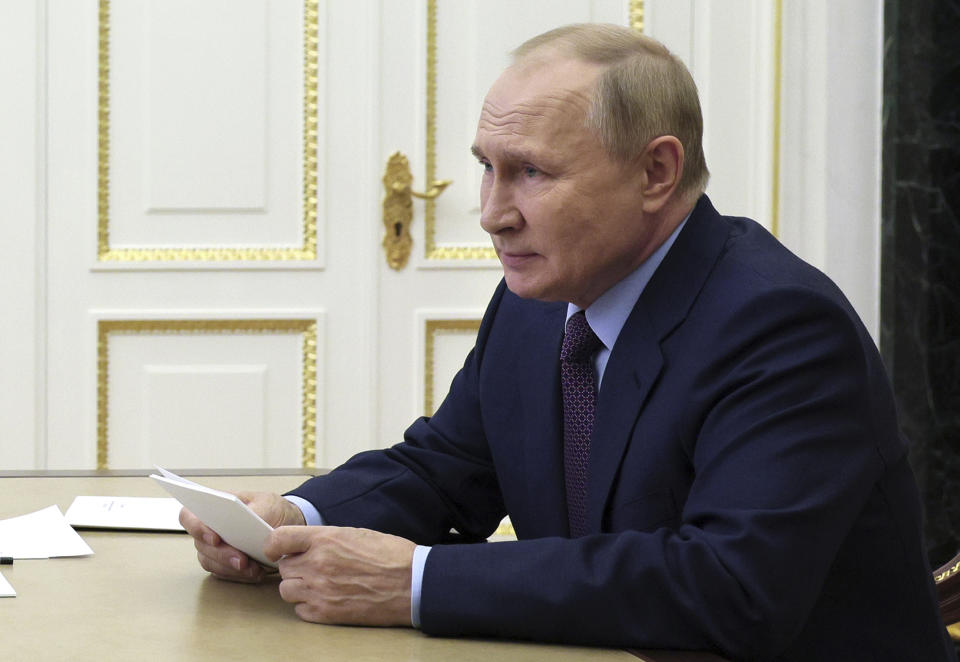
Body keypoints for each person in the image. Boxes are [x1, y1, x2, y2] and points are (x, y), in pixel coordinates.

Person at [181, 24, 956, 660]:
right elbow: (446, 469)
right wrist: (293, 519)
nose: (491, 213)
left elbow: (729, 588)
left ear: (656, 170)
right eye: (486, 169)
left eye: (530, 174)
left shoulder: (779, 327)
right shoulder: (541, 300)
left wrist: (416, 581)